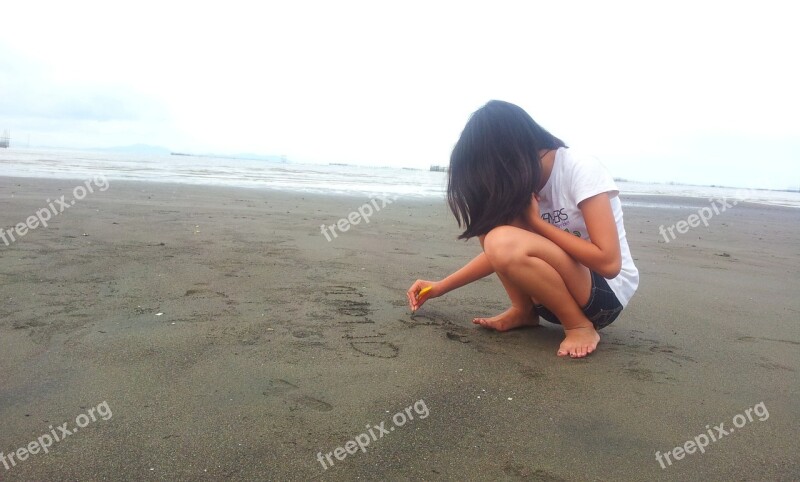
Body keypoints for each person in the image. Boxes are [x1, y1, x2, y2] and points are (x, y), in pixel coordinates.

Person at [406, 100, 639, 358]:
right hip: (551, 299)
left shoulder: (579, 169)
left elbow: (608, 263)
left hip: (604, 296)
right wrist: (441, 287)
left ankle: (579, 326)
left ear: (509, 156)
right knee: (490, 228)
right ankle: (524, 310)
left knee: (501, 237)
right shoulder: (523, 183)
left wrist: (537, 223)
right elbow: (500, 252)